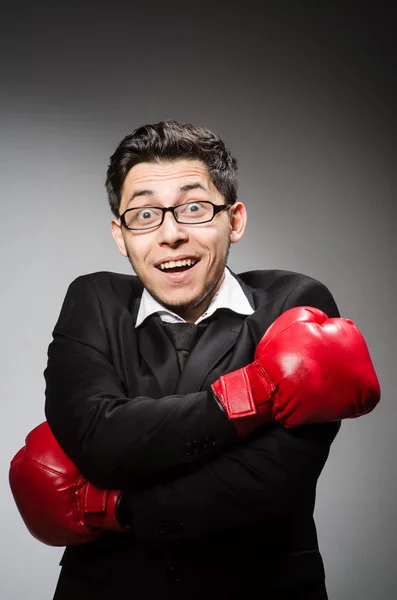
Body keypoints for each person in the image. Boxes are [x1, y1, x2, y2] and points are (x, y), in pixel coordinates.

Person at [9, 119, 380, 599]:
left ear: (235, 220)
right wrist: (253, 394)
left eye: (194, 208)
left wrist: (111, 508)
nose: (170, 234)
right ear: (121, 236)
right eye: (144, 216)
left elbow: (264, 483)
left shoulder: (295, 304)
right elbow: (99, 438)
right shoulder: (94, 300)